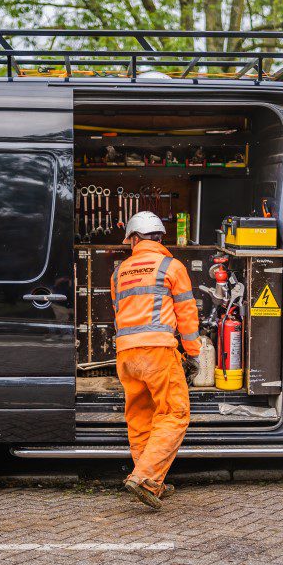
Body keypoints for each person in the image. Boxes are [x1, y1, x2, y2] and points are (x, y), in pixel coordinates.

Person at [109, 211, 201, 510]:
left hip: (126, 354)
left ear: (134, 238)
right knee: (175, 413)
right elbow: (186, 313)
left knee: (140, 418)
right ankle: (144, 475)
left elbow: (117, 311)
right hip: (158, 351)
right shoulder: (171, 266)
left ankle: (151, 484)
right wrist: (192, 351)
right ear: (160, 238)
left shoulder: (119, 271)